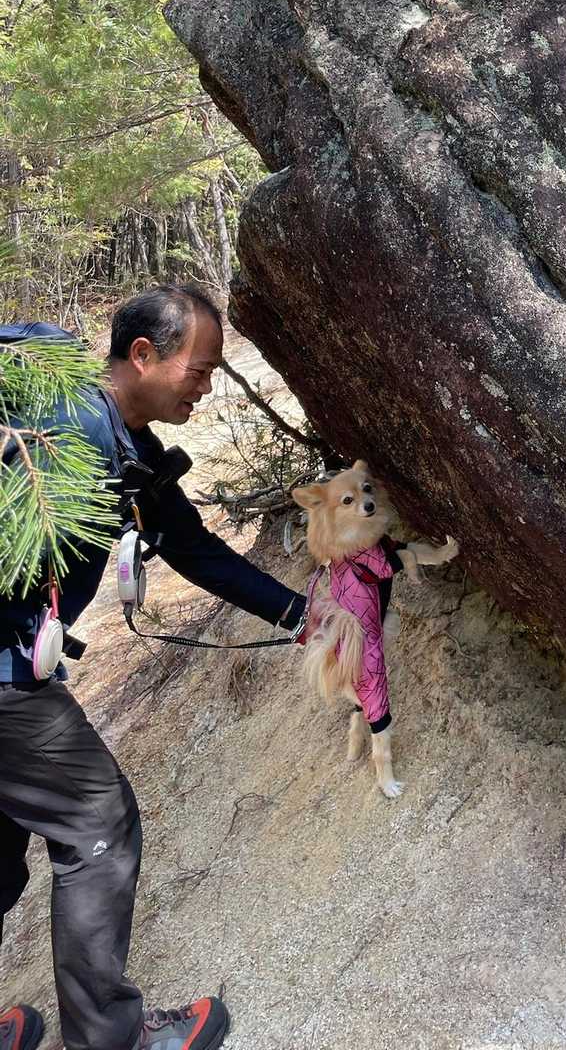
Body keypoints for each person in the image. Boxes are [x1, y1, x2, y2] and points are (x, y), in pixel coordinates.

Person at [0, 285, 308, 1050]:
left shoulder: (131, 452)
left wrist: (301, 614)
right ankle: (111, 1039)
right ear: (143, 355)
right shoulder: (68, 428)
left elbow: (193, 549)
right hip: (5, 679)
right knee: (97, 822)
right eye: (199, 371)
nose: (206, 387)